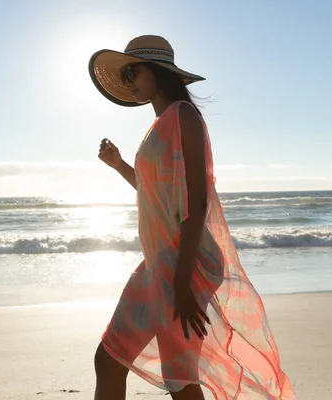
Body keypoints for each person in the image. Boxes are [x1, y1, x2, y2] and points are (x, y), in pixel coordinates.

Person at [88, 35, 297, 400]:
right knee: (112, 359)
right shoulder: (161, 124)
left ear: (156, 71)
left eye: (131, 72)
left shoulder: (183, 116)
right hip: (160, 263)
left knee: (178, 377)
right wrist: (120, 164)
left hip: (184, 263)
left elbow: (196, 201)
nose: (128, 82)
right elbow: (158, 197)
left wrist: (183, 282)